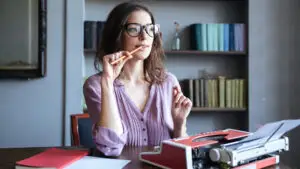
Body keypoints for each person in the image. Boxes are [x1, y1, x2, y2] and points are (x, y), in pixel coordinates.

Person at [83, 1, 192, 157]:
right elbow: (110, 148)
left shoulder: (168, 82)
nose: (144, 36)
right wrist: (107, 81)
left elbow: (181, 154)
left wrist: (179, 125)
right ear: (116, 35)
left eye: (149, 29)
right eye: (134, 29)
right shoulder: (95, 86)